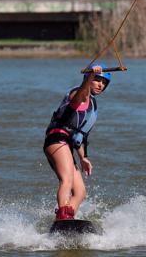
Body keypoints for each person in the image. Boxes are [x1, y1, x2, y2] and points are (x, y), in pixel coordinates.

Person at [43, 63, 111, 220]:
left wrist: (83, 158)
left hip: (67, 144)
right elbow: (82, 93)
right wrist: (90, 77)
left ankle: (67, 217)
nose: (100, 85)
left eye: (104, 83)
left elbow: (79, 137)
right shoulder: (78, 95)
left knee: (80, 192)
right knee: (66, 180)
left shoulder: (93, 104)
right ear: (88, 79)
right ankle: (63, 216)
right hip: (56, 139)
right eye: (97, 80)